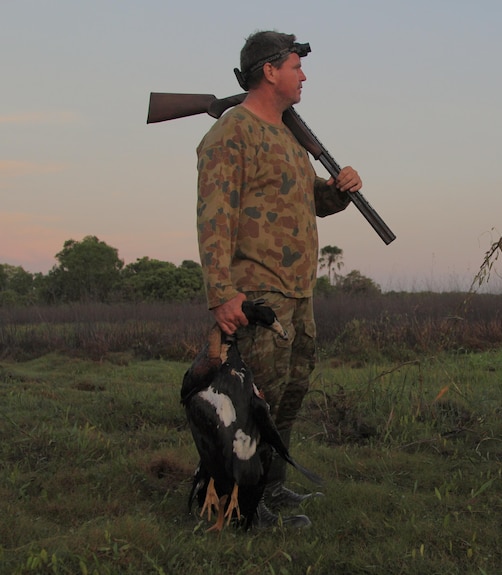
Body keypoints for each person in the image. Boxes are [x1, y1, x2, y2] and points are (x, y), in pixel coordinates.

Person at [196, 30, 363, 528]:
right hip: (257, 293)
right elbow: (214, 216)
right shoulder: (232, 132)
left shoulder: (290, 137)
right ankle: (238, 507)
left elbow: (309, 200)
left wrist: (340, 189)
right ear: (270, 71)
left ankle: (269, 487)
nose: (303, 75)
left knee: (289, 393)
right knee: (253, 400)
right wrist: (222, 293)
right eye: (296, 66)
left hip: (297, 291)